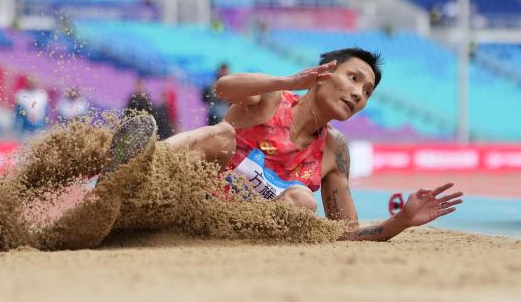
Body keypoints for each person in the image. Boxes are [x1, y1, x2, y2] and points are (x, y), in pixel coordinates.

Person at [108, 48, 464, 242]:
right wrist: (288, 79)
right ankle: (134, 165)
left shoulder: (334, 151)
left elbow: (345, 231)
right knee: (221, 136)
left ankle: (216, 229)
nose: (358, 93)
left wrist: (401, 220)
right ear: (324, 72)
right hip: (180, 195)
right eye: (354, 79)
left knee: (302, 200)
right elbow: (223, 89)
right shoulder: (272, 98)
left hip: (225, 229)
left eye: (367, 92)